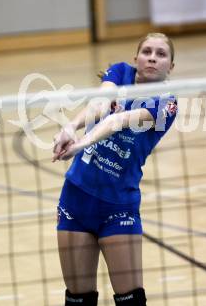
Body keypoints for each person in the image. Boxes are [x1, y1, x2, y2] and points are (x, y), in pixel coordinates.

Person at [53, 33, 177, 306]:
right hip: (76, 200)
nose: (153, 58)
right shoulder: (120, 72)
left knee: (129, 300)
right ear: (136, 58)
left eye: (161, 54)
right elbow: (99, 103)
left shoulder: (167, 104)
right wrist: (69, 128)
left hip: (119, 207)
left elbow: (119, 121)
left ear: (170, 67)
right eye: (146, 51)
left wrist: (81, 142)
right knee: (78, 299)